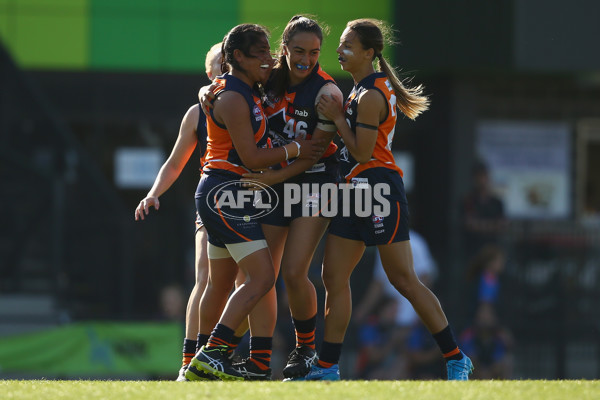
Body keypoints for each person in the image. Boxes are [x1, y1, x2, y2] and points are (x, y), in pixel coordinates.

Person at [294, 18, 473, 381]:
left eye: (347, 45)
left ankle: (456, 357)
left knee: (404, 279)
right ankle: (327, 367)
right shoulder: (362, 90)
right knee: (333, 276)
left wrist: (334, 118)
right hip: (352, 189)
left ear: (369, 53)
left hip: (377, 188)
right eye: (341, 44)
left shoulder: (372, 94)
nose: (340, 51)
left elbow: (362, 153)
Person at [200, 15, 343, 380]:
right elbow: (227, 76)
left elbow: (313, 154)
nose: (305, 60)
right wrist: (209, 90)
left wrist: (274, 175)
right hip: (273, 181)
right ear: (285, 48)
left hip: (316, 183)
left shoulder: (326, 93)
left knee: (295, 272)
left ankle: (305, 349)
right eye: (298, 50)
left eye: (313, 53)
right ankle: (258, 360)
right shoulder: (268, 74)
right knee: (261, 273)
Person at [134, 42, 249, 382]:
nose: (225, 70)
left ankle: (226, 355)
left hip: (253, 205)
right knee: (206, 278)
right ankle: (190, 361)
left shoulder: (254, 104)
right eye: (219, 65)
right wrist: (153, 194)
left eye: (230, 64)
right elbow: (174, 164)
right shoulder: (197, 113)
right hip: (214, 205)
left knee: (253, 284)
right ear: (209, 73)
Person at [353, 230, 438, 378]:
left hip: (409, 315)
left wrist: (417, 312)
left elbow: (425, 278)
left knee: (404, 360)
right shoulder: (383, 245)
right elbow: (379, 282)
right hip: (390, 314)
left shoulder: (415, 242)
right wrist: (362, 310)